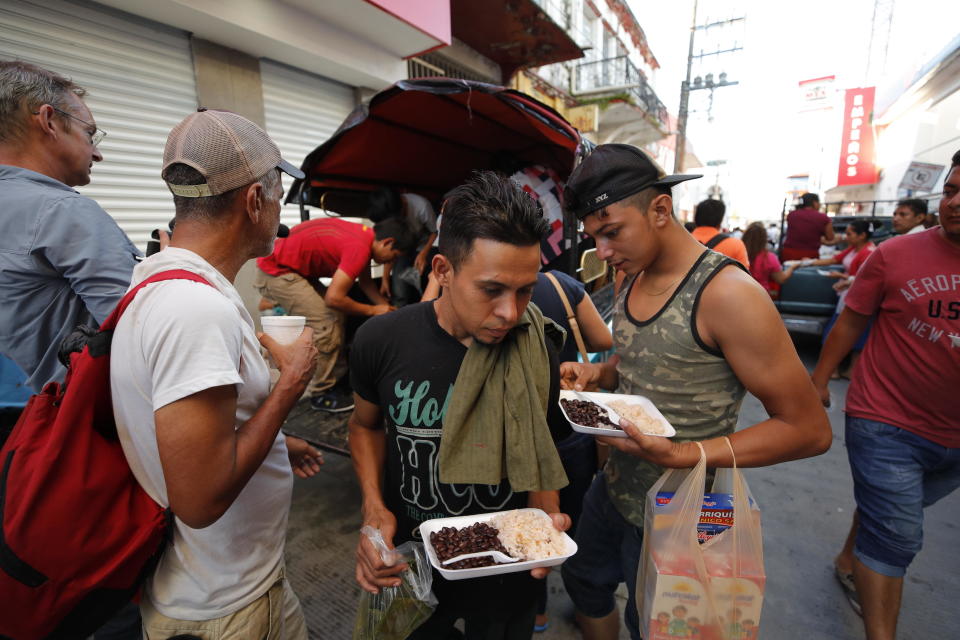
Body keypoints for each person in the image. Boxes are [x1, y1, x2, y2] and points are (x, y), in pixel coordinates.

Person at [556, 144, 832, 640]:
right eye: (594, 237)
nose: (603, 252)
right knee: (583, 581)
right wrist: (601, 375)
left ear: (660, 210)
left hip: (693, 509)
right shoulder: (630, 273)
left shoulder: (729, 294)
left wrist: (685, 453)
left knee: (660, 625)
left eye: (611, 231)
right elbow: (642, 363)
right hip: (615, 488)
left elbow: (809, 430)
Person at [111, 108, 323, 638]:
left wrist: (275, 441)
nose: (280, 209)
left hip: (228, 590)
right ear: (254, 200)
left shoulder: (165, 284)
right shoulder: (194, 311)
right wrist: (290, 383)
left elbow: (189, 437)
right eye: (276, 195)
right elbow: (199, 499)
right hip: (228, 608)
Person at [349, 171, 572, 639]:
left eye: (525, 290)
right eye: (492, 289)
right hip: (411, 568)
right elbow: (365, 427)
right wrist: (373, 507)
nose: (511, 313)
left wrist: (545, 521)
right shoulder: (381, 341)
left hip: (506, 575)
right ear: (442, 270)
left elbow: (541, 447)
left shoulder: (538, 351)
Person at [811, 149, 960, 640]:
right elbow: (850, 320)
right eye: (953, 190)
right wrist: (819, 381)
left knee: (896, 510)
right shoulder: (893, 256)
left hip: (953, 438)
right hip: (885, 418)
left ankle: (850, 557)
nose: (957, 202)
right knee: (897, 536)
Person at [0, 60, 140, 393]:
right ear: (49, 121)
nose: (97, 153)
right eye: (89, 133)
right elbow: (142, 336)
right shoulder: (62, 212)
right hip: (68, 425)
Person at [254, 216, 414, 412]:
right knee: (326, 320)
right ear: (387, 242)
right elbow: (334, 298)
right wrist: (373, 310)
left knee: (337, 315)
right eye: (395, 255)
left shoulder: (364, 237)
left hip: (290, 266)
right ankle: (321, 393)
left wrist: (387, 309)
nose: (393, 261)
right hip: (276, 270)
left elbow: (366, 284)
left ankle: (335, 379)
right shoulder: (359, 248)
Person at [529, 270, 613, 632]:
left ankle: (537, 611)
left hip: (522, 435)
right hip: (569, 429)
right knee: (571, 519)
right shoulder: (561, 284)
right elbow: (600, 338)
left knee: (530, 530)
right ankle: (584, 601)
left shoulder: (472, 282)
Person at [802, 220, 877, 378]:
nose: (845, 237)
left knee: (840, 333)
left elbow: (867, 278)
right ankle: (842, 370)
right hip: (847, 294)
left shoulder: (869, 252)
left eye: (849, 234)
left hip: (857, 296)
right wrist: (808, 262)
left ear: (862, 235)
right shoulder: (854, 249)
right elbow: (834, 259)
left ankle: (836, 370)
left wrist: (843, 277)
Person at [372, 189, 439, 306]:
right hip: (402, 251)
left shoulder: (421, 206)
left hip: (426, 246)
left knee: (432, 278)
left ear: (403, 204)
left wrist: (423, 254)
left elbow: (435, 232)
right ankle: (399, 313)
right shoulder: (388, 216)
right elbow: (390, 251)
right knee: (399, 290)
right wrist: (385, 279)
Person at [742, 221, 797, 296]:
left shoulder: (738, 254)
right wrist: (793, 267)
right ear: (764, 238)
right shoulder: (769, 257)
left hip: (740, 294)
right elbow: (781, 279)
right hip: (762, 296)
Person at [690, 199, 749, 268]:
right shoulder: (736, 245)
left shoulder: (681, 242)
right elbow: (743, 276)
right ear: (720, 220)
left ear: (696, 218)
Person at [781, 193, 837, 261]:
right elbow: (830, 238)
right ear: (815, 203)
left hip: (788, 255)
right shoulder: (823, 218)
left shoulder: (791, 215)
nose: (819, 205)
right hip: (809, 256)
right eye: (819, 202)